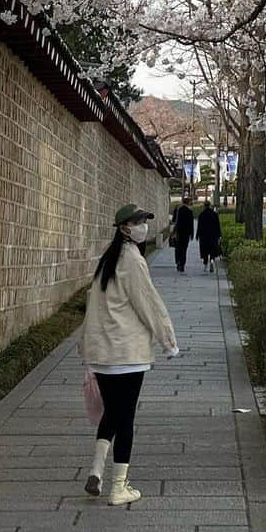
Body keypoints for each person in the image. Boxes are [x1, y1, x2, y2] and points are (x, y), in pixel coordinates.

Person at [81, 203, 178, 505]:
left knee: (111, 413)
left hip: (104, 354)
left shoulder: (107, 261)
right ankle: (118, 487)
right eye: (138, 222)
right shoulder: (132, 261)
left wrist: (87, 349)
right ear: (124, 228)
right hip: (127, 354)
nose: (144, 226)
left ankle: (96, 471)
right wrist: (168, 340)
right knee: (126, 419)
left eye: (144, 221)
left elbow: (92, 308)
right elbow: (148, 302)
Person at [196, 198, 222, 273]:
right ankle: (211, 261)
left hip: (204, 236)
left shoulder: (201, 215)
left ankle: (205, 265)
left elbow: (199, 226)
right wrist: (219, 235)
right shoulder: (214, 214)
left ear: (204, 206)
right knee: (212, 250)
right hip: (213, 236)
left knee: (205, 251)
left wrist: (198, 235)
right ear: (210, 206)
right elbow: (218, 225)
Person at [171, 197, 194, 273]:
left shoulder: (179, 209)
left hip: (179, 232)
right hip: (186, 233)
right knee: (184, 249)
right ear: (188, 203)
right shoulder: (189, 211)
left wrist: (174, 231)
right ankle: (182, 265)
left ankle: (178, 262)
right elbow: (191, 223)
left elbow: (175, 221)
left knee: (178, 248)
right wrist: (192, 233)